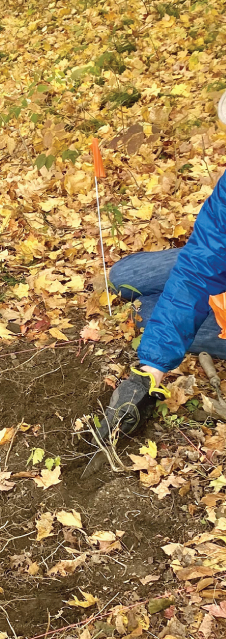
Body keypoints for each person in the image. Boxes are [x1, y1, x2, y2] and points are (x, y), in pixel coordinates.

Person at [98, 170, 226, 440]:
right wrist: (150, 372)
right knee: (124, 277)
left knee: (143, 312)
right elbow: (200, 268)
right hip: (216, 259)